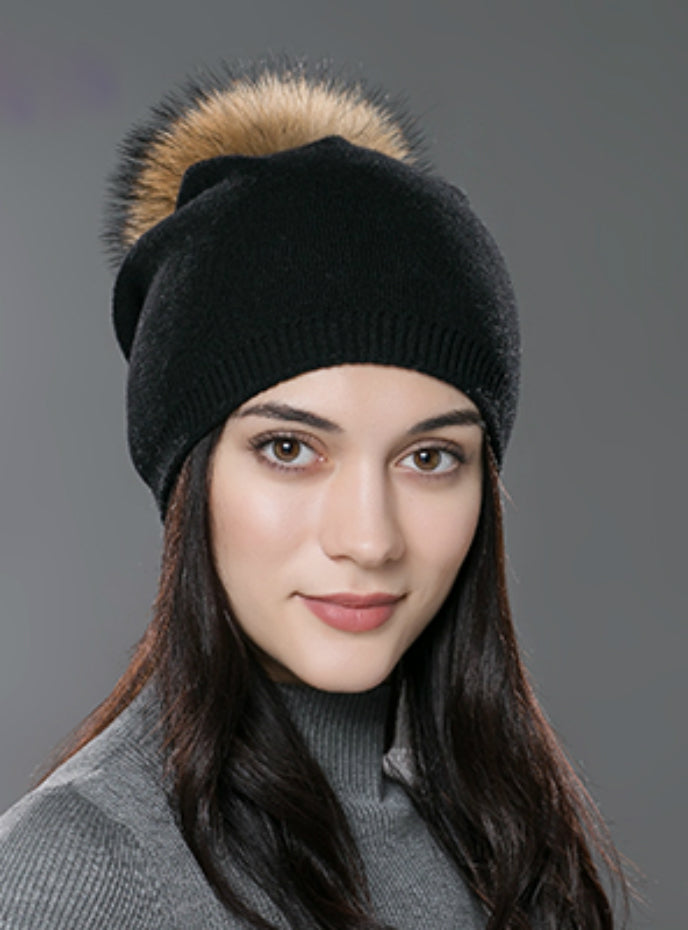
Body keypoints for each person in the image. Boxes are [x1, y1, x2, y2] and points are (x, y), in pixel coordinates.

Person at [0, 60, 629, 929]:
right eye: (290, 449)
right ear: (189, 477)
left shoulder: (502, 844)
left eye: (430, 457)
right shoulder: (80, 871)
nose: (369, 539)